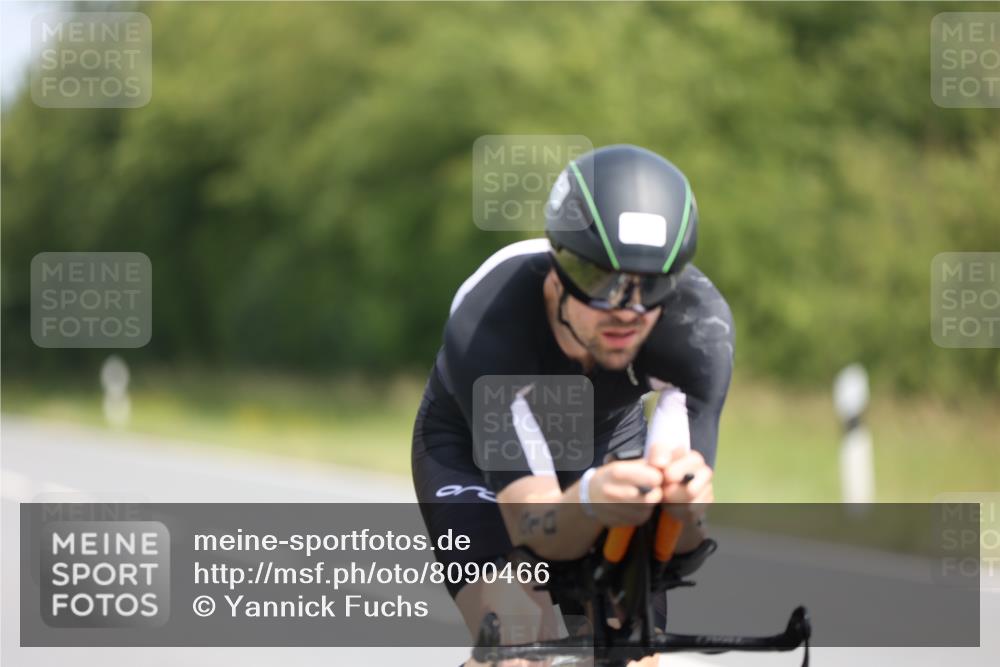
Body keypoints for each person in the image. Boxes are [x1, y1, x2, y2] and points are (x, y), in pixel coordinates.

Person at [411, 144, 734, 665]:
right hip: (472, 453)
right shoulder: (490, 319)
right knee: (517, 629)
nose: (624, 310)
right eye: (597, 280)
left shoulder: (696, 330)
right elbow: (534, 529)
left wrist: (684, 514)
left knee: (629, 647)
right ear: (558, 266)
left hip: (603, 442)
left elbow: (677, 543)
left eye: (651, 285)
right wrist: (587, 499)